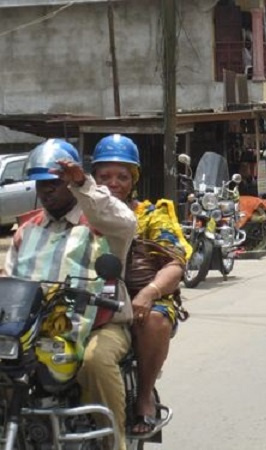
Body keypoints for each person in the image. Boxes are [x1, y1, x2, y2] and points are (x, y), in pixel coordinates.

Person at [4, 139, 136, 450]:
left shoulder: (104, 224)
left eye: (54, 182)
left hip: (102, 324)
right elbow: (10, 279)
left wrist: (81, 183)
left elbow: (125, 220)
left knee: (95, 361)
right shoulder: (27, 229)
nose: (47, 190)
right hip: (34, 330)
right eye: (41, 184)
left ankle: (111, 444)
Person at [90, 134, 191, 435]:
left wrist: (149, 293)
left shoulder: (151, 216)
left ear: (133, 180)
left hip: (138, 300)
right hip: (90, 298)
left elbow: (176, 264)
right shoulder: (80, 214)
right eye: (104, 176)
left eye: (122, 176)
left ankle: (144, 397)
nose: (113, 183)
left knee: (156, 318)